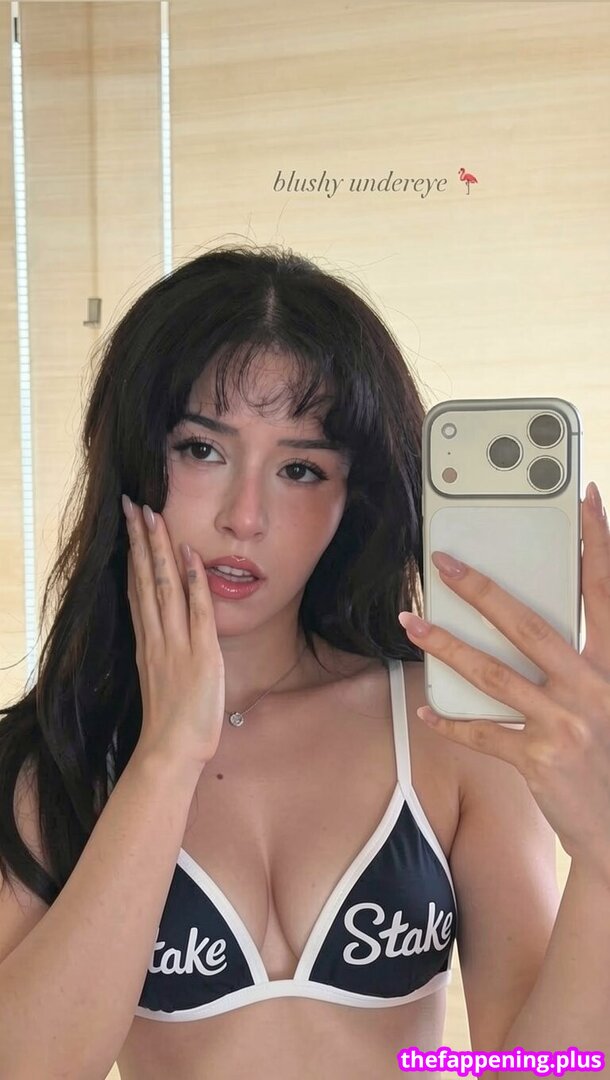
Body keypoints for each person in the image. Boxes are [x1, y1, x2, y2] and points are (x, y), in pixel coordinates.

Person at [0, 244, 608, 1080]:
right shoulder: (60, 759)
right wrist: (168, 754)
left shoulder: (446, 728)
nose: (244, 516)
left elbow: (540, 1070)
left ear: (349, 500)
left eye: (299, 468)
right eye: (201, 450)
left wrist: (605, 861)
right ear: (133, 460)